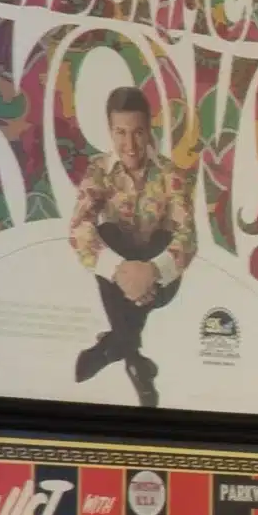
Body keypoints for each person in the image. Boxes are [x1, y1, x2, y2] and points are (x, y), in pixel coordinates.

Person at [68, 74, 188, 403]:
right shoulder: (99, 170)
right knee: (105, 231)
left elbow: (187, 234)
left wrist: (153, 270)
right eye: (121, 132)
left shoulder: (171, 174)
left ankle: (112, 347)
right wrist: (119, 269)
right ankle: (135, 361)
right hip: (117, 276)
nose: (130, 144)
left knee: (162, 235)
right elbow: (79, 227)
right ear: (110, 131)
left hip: (160, 278)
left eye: (137, 132)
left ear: (149, 130)